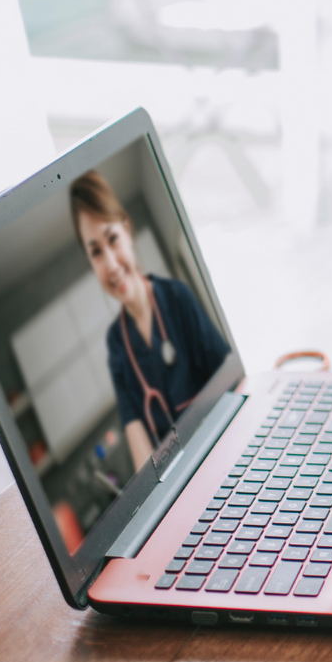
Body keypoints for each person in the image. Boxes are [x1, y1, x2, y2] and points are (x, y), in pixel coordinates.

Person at [70, 170, 230, 471]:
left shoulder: (176, 298)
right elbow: (139, 442)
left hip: (222, 448)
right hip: (176, 478)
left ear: (127, 232)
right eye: (96, 252)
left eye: (113, 239)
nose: (112, 265)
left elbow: (231, 381)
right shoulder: (117, 344)